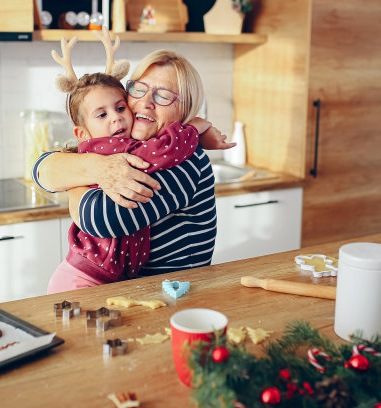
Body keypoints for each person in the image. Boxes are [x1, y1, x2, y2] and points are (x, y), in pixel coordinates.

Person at [34, 47, 233, 280]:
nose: (146, 102)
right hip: (139, 296)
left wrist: (75, 183)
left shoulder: (182, 160)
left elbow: (101, 219)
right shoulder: (129, 146)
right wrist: (97, 169)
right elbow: (41, 168)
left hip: (175, 299)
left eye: (164, 95)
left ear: (186, 109)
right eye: (139, 89)